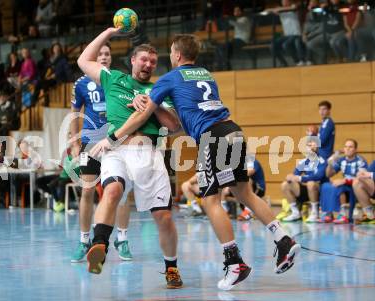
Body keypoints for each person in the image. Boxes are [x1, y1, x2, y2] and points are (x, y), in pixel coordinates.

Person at [95, 33, 301, 291]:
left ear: (177, 55)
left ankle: (234, 263)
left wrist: (114, 135)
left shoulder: (169, 78)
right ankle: (282, 239)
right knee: (244, 193)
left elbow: (140, 117)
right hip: (233, 130)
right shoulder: (206, 74)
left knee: (210, 200)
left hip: (211, 137)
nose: (168, 57)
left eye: (170, 52)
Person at [78, 28, 183, 288]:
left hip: (148, 154)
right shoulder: (113, 78)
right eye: (143, 59)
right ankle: (99, 244)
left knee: (164, 218)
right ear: (133, 61)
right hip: (115, 150)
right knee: (111, 191)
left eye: (153, 61)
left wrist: (152, 102)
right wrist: (110, 32)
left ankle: (171, 268)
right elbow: (83, 60)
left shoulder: (160, 88)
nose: (148, 64)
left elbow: (174, 126)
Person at [70, 43, 133, 263]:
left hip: (117, 143)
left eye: (107, 54)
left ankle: (122, 239)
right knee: (87, 191)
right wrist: (76, 143)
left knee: (122, 193)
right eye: (99, 54)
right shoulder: (81, 84)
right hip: (91, 143)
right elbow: (75, 113)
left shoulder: (118, 81)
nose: (104, 57)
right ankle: (83, 240)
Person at [280, 139, 328, 222]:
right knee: (285, 185)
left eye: (313, 145)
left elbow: (318, 176)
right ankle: (295, 212)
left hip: (320, 189)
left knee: (311, 183)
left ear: (317, 147)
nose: (311, 148)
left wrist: (301, 178)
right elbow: (295, 176)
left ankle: (315, 213)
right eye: (309, 146)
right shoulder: (304, 162)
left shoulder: (322, 160)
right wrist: (290, 177)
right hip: (307, 189)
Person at [323, 139, 368, 224]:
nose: (347, 149)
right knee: (326, 185)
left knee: (340, 186)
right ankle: (328, 213)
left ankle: (343, 214)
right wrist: (329, 164)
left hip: (356, 188)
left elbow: (363, 178)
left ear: (355, 149)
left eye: (350, 147)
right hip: (346, 186)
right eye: (346, 146)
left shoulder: (360, 161)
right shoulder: (341, 160)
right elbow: (328, 174)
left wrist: (345, 180)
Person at [237, 156, 267, 221]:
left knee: (247, 180)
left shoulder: (252, 161)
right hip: (245, 189)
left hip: (259, 188)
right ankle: (226, 210)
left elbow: (249, 173)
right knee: (226, 188)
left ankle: (248, 211)